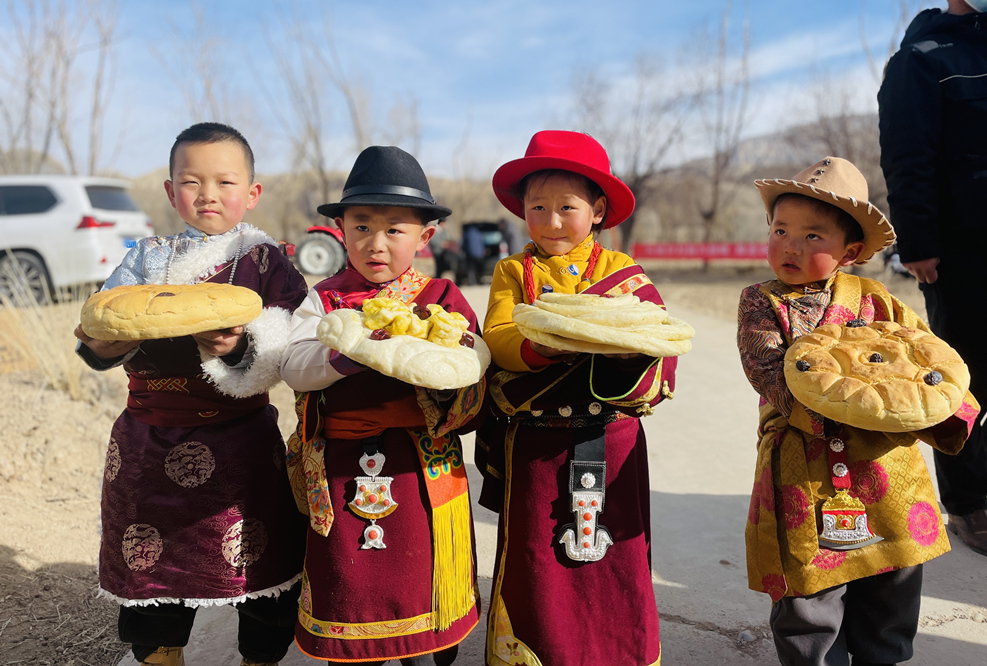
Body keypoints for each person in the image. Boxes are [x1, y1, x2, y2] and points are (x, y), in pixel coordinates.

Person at [73, 122, 307, 666]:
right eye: (191, 180)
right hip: (147, 443)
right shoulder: (143, 260)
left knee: (259, 571)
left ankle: (259, 657)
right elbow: (104, 332)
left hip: (241, 446)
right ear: (170, 190)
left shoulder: (265, 259)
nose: (207, 194)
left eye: (225, 182)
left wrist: (237, 348)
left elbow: (289, 341)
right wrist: (103, 344)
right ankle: (161, 653)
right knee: (149, 575)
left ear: (252, 193)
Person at [737, 157, 979, 666]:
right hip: (801, 467)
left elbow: (925, 360)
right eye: (780, 230)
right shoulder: (760, 303)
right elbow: (769, 371)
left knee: (891, 583)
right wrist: (844, 411)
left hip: (886, 467)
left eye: (812, 236)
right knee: (809, 594)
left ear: (849, 252)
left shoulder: (878, 301)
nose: (790, 246)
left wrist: (950, 409)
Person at [475, 130, 677, 666]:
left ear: (599, 210)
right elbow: (497, 336)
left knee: (616, 556)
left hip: (610, 437)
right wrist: (539, 348)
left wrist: (622, 354)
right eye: (536, 207)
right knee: (535, 558)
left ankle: (621, 652)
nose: (551, 220)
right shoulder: (513, 272)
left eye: (567, 207)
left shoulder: (620, 272)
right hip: (536, 441)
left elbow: (655, 338)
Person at [280, 145, 481, 665]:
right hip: (342, 468)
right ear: (340, 230)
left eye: (395, 230)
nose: (377, 243)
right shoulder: (323, 299)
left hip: (419, 472)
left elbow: (472, 384)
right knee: (351, 588)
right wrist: (353, 351)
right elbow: (294, 366)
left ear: (424, 236)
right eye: (362, 226)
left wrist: (409, 410)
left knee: (416, 585)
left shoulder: (440, 300)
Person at [878, 0, 987, 560]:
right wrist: (919, 243)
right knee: (964, 378)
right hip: (962, 249)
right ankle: (967, 502)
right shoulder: (921, 59)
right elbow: (908, 155)